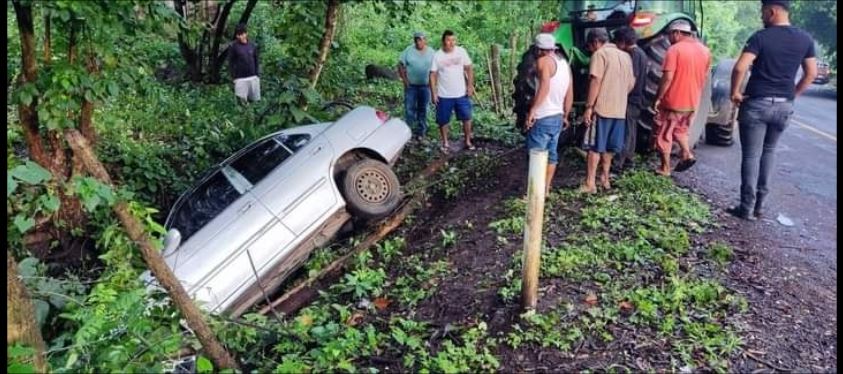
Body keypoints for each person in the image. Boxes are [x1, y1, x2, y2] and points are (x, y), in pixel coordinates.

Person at [728, 0, 816, 221]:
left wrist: (735, 93)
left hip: (757, 103)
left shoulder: (761, 37)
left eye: (762, 12)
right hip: (784, 106)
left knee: (751, 155)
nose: (761, 16)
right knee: (769, 152)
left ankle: (746, 208)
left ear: (772, 11)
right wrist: (792, 94)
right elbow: (811, 73)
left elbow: (740, 66)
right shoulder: (805, 39)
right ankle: (760, 206)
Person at [651, 20, 711, 176]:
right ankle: (687, 154)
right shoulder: (705, 51)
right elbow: (703, 78)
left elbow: (668, 78)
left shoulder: (674, 50)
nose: (669, 38)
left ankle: (665, 168)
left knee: (664, 133)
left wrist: (658, 97)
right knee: (680, 129)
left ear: (677, 33)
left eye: (670, 34)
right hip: (691, 101)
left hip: (673, 101)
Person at [581, 28, 635, 193]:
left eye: (590, 47)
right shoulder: (625, 56)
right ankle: (605, 178)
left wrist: (589, 107)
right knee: (610, 148)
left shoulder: (600, 55)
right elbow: (632, 82)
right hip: (619, 110)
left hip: (601, 109)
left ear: (596, 42)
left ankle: (590, 183)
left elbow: (595, 81)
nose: (591, 51)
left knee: (594, 146)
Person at [525, 33, 574, 194]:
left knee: (536, 155)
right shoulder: (564, 64)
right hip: (557, 117)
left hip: (543, 116)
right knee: (552, 155)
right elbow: (569, 92)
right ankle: (545, 190)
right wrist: (565, 115)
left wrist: (533, 110)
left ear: (538, 50)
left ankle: (534, 194)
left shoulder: (543, 62)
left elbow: (544, 87)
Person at [429, 30, 476, 152]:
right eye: (449, 40)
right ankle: (445, 142)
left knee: (467, 117)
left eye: (453, 40)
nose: (452, 43)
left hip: (461, 93)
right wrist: (434, 93)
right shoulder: (437, 55)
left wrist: (470, 86)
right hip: (444, 94)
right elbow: (432, 75)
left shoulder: (461, 52)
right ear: (443, 41)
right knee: (443, 120)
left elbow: (469, 68)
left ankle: (467, 140)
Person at [611, 26, 647, 170]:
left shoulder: (634, 55)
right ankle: (628, 161)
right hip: (637, 98)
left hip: (631, 98)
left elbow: (632, 78)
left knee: (626, 130)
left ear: (623, 41)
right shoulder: (641, 53)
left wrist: (621, 95)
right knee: (631, 129)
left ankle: (619, 162)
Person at [398, 32, 435, 139]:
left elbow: (436, 68)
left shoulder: (432, 52)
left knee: (423, 108)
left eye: (420, 39)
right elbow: (400, 64)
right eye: (416, 40)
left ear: (425, 40)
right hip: (411, 86)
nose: (418, 42)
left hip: (425, 86)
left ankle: (421, 131)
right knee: (409, 108)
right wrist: (405, 80)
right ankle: (407, 131)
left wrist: (433, 83)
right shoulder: (408, 50)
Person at [228, 23, 260, 103]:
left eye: (242, 34)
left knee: (255, 102)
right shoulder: (233, 46)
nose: (240, 37)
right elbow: (231, 63)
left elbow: (256, 60)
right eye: (238, 35)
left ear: (246, 33)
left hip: (253, 77)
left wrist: (257, 75)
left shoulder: (252, 45)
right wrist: (234, 77)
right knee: (242, 104)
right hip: (240, 79)